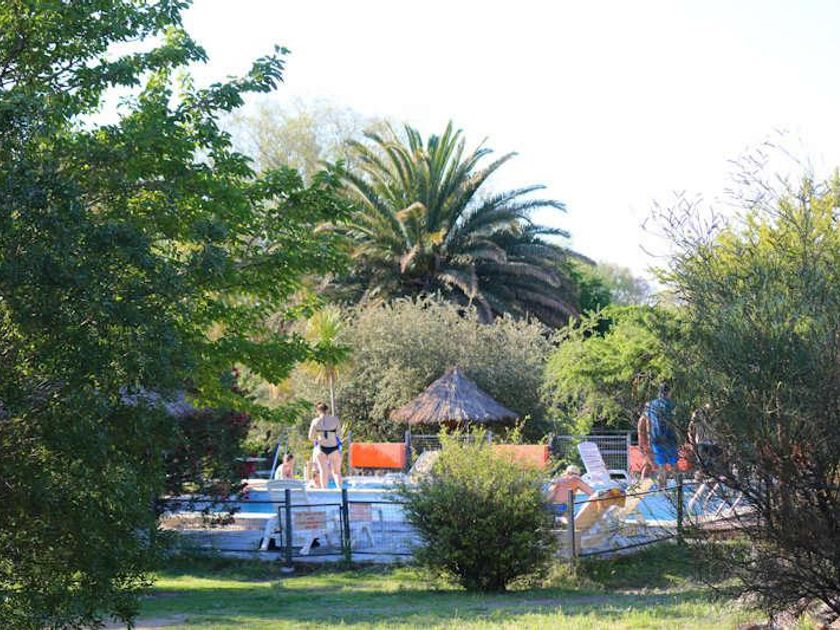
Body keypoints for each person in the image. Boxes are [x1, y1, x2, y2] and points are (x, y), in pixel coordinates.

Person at [647, 382, 678, 488]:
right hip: (670, 439)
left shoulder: (651, 405)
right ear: (668, 392)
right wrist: (679, 438)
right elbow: (675, 423)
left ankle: (662, 489)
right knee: (674, 465)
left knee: (661, 466)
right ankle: (679, 489)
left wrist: (649, 439)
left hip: (656, 439)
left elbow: (648, 423)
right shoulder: (671, 405)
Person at [307, 402, 342, 489]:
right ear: (327, 410)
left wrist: (316, 440)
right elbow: (339, 434)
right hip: (333, 448)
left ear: (318, 411)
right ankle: (340, 489)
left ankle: (324, 490)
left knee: (323, 471)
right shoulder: (335, 420)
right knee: (336, 472)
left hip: (321, 448)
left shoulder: (315, 421)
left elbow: (310, 437)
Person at [636, 402, 655, 480]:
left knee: (648, 465)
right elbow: (645, 433)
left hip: (645, 445)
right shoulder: (645, 419)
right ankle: (644, 481)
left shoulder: (644, 418)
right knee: (650, 465)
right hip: (646, 445)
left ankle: (644, 482)